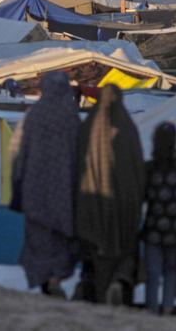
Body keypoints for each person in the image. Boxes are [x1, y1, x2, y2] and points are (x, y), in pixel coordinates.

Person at [11, 71, 81, 296]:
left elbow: (21, 153)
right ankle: (55, 277)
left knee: (38, 239)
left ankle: (42, 280)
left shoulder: (34, 115)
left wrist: (17, 183)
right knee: (60, 240)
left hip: (35, 190)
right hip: (64, 192)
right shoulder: (71, 117)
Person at [75, 84, 145, 305]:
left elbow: (77, 166)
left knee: (95, 256)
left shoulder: (88, 128)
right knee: (124, 252)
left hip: (92, 205)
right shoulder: (128, 129)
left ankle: (98, 293)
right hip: (123, 207)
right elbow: (138, 170)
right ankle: (119, 283)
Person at [141, 122, 176, 315]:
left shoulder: (152, 167)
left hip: (154, 228)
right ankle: (168, 307)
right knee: (171, 271)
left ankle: (152, 309)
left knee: (153, 273)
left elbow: (145, 195)